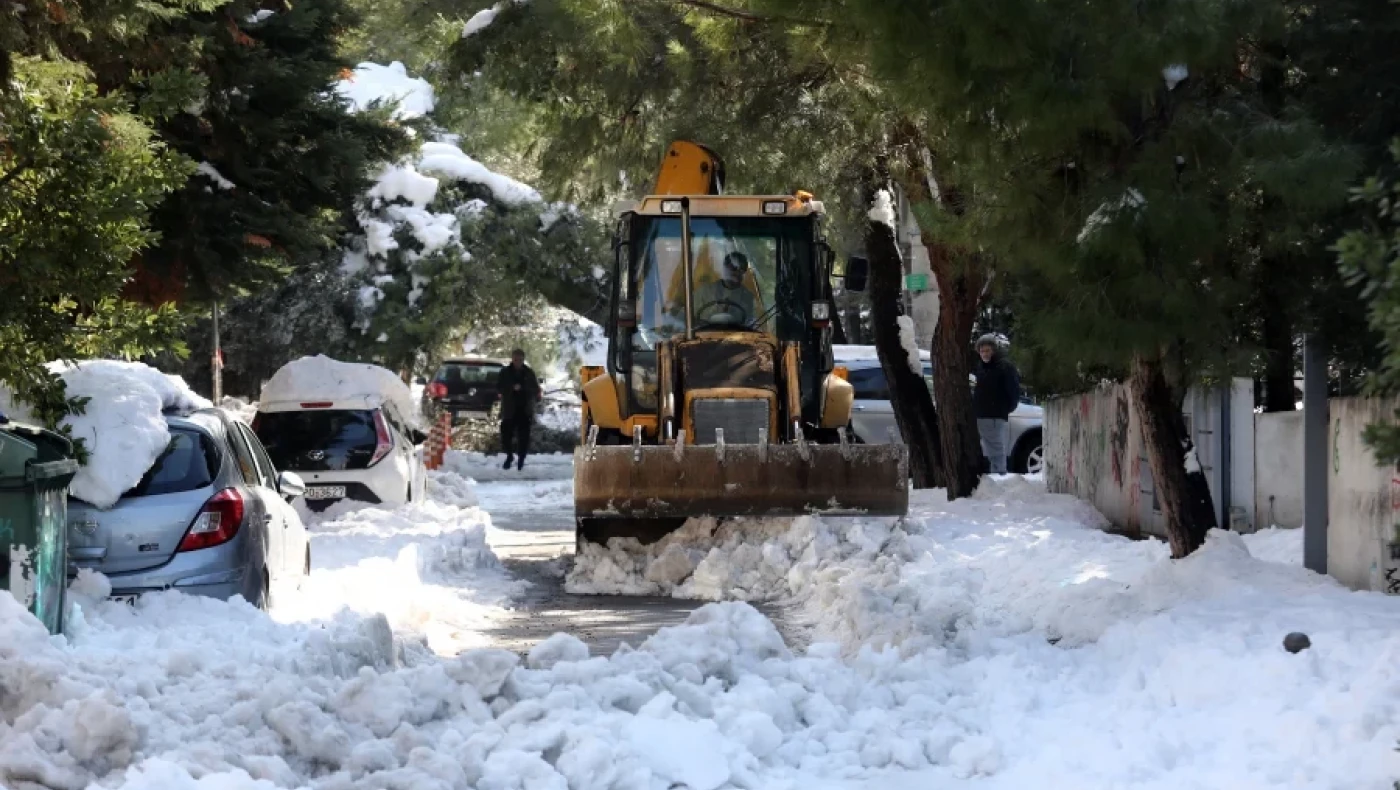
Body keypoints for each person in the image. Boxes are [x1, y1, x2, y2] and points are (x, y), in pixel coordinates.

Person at [972, 334, 1021, 475]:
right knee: (992, 449)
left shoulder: (1003, 367)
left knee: (995, 450)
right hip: (982, 414)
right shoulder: (981, 368)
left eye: (987, 350)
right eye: (982, 351)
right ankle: (997, 476)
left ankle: (999, 477)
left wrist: (1005, 408)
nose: (985, 354)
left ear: (994, 350)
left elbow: (1013, 390)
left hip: (993, 414)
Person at [495, 349, 541, 470]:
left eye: (520, 360)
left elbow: (535, 389)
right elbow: (499, 387)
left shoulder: (529, 373)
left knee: (524, 437)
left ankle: (521, 459)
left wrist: (524, 388)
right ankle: (509, 456)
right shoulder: (505, 372)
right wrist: (511, 388)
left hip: (524, 410)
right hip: (509, 409)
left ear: (523, 360)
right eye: (515, 359)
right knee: (506, 436)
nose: (517, 362)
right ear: (512, 359)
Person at [692, 251, 759, 326]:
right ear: (724, 268)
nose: (737, 273)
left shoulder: (748, 297)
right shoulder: (704, 291)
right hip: (704, 335)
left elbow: (751, 322)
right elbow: (689, 318)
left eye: (742, 270)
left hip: (737, 335)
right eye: (734, 268)